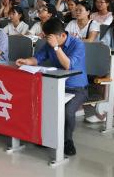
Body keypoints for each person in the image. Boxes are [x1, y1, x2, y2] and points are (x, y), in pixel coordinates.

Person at [15, 18, 88, 156]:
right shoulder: (50, 43)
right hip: (55, 85)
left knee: (67, 111)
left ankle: (67, 141)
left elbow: (68, 65)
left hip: (77, 88)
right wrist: (27, 61)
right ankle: (46, 137)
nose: (47, 40)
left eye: (50, 37)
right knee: (41, 104)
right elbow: (38, 58)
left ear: (62, 35)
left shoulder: (77, 44)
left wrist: (56, 47)